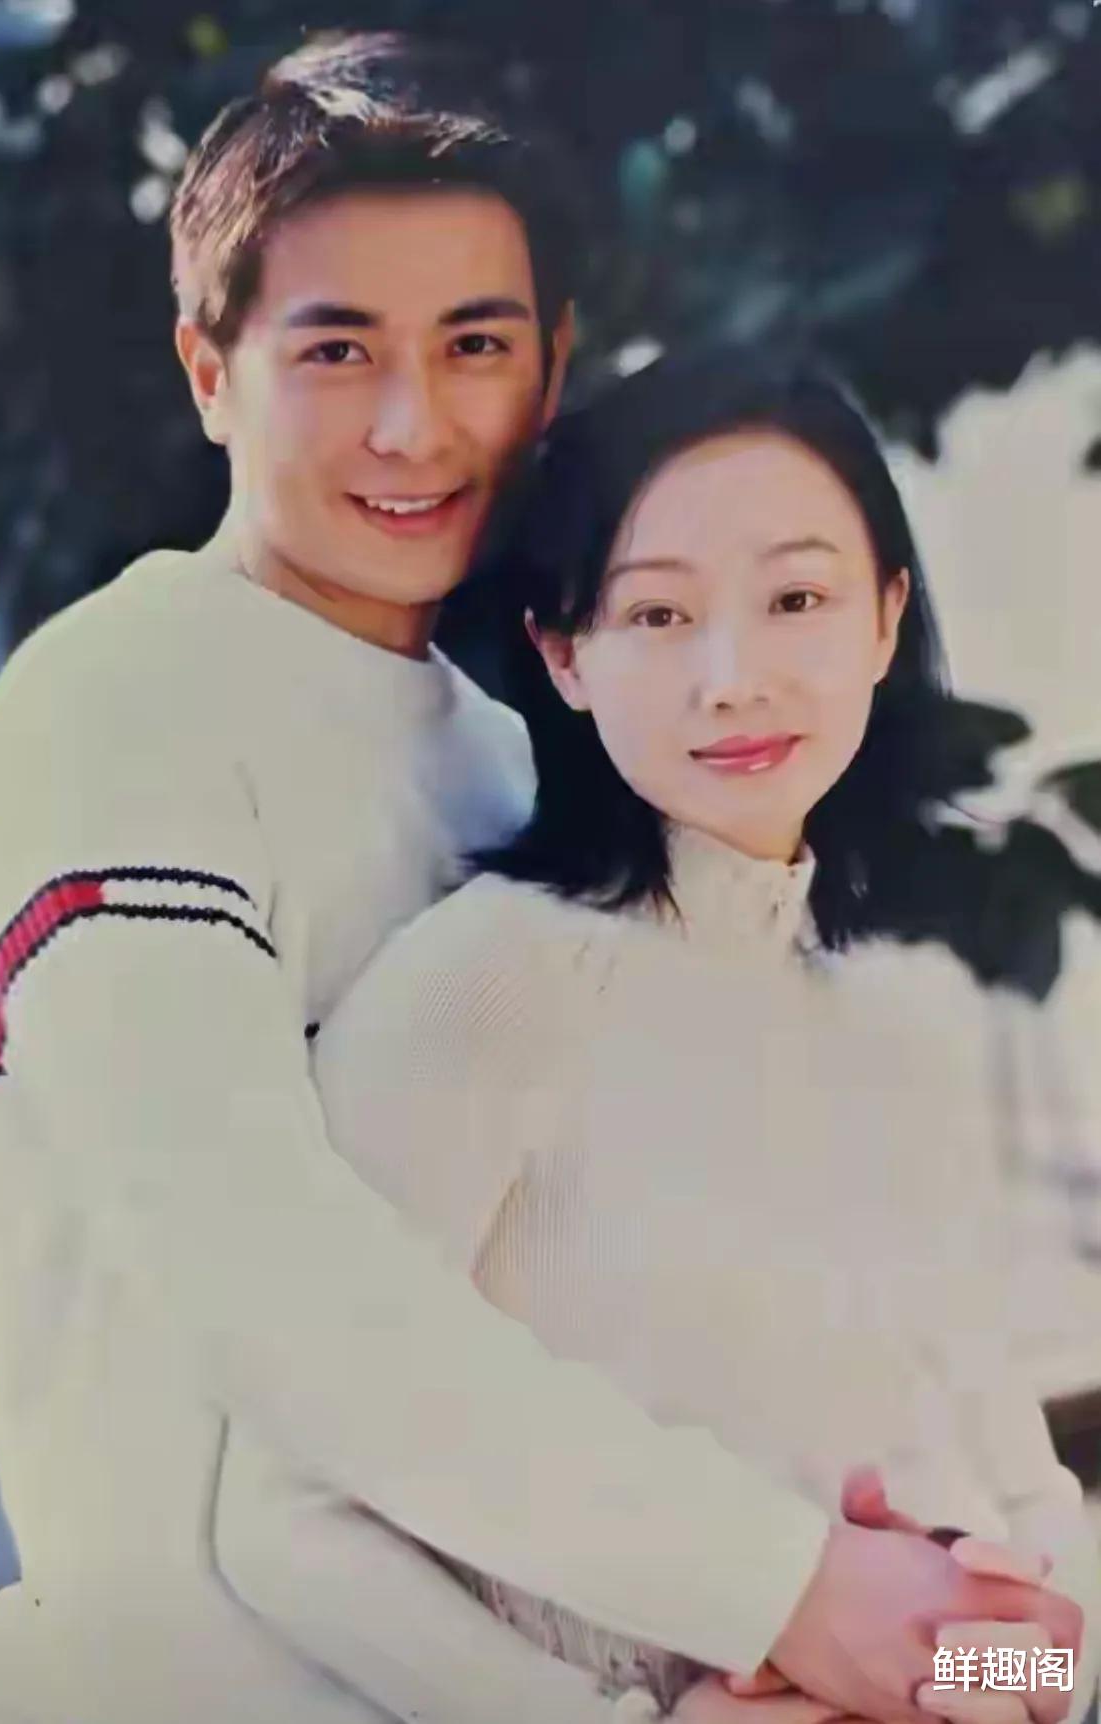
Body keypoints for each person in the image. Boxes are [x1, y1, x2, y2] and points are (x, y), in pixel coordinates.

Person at [0, 33, 1084, 1724]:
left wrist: (973, 1666)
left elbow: (1008, 1591)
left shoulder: (516, 771)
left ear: (549, 373)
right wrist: (783, 1590)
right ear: (207, 369)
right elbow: (276, 1298)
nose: (414, 425)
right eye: (336, 349)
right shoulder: (127, 700)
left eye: (473, 345)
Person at [313, 355, 1101, 1723]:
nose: (732, 680)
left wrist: (994, 1678)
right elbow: (292, 1512)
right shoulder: (480, 991)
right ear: (562, 653)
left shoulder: (895, 1028)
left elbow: (1051, 1639)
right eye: (658, 614)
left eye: (795, 600)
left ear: (883, 619)